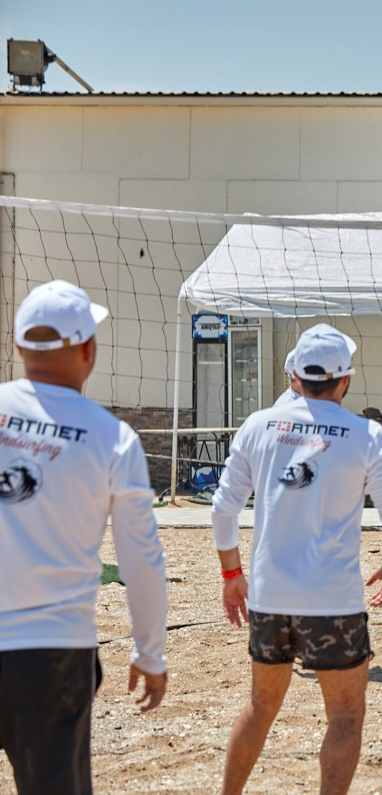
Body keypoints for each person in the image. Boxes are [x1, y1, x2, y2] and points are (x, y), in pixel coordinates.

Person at [210, 323, 382, 795]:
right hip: (334, 601)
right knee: (345, 715)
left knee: (261, 707)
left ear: (295, 376)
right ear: (346, 380)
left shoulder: (258, 424)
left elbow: (223, 509)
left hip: (269, 594)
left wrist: (231, 574)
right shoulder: (366, 434)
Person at [0, 280, 169, 793]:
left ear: (19, 347)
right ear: (89, 350)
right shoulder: (112, 437)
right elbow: (142, 560)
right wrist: (149, 653)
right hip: (51, 655)